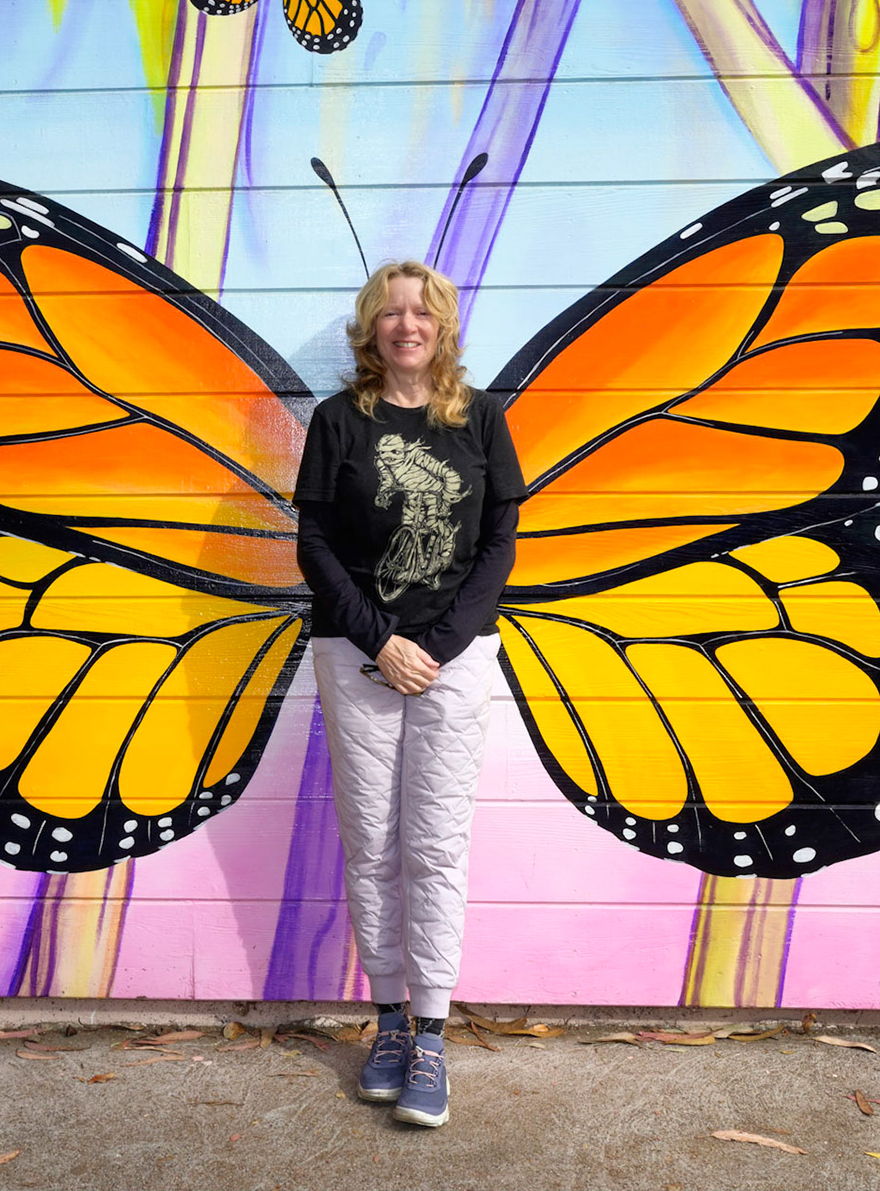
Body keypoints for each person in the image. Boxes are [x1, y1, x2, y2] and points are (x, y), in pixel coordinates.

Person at [293, 259, 526, 1128]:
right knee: (373, 843)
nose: (405, 325)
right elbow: (313, 542)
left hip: (454, 660)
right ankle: (386, 1022)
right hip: (357, 656)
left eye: (420, 311)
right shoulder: (336, 421)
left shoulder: (481, 419)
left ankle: (431, 1034)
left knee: (434, 843)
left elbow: (500, 545)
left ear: (442, 325)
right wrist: (379, 640)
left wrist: (433, 645)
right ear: (371, 326)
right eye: (390, 312)